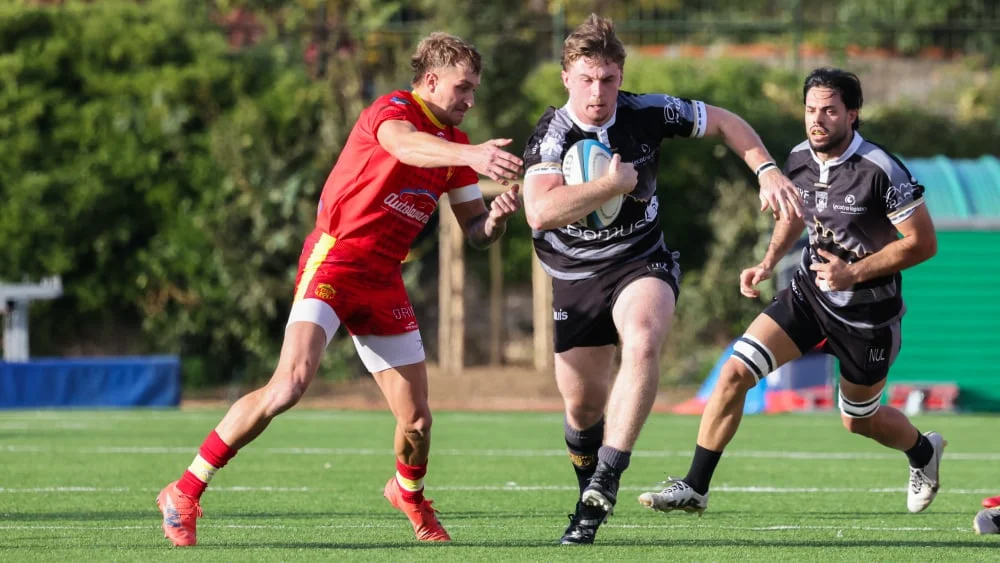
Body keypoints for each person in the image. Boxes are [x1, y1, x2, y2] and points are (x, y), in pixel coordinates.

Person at [154, 32, 524, 547]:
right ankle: (185, 490)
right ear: (431, 80)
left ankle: (407, 494)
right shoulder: (393, 109)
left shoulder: (460, 148)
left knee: (416, 419)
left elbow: (476, 233)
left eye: (475, 91)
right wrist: (477, 155)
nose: (470, 100)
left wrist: (499, 219)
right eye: (462, 88)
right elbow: (403, 145)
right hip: (337, 258)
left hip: (383, 277)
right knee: (289, 385)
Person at [521, 14, 801, 545]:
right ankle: (588, 484)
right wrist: (610, 185)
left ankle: (606, 479)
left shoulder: (648, 112)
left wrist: (765, 168)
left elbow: (723, 121)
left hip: (639, 259)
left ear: (620, 75)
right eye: (585, 79)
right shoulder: (553, 133)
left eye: (607, 78)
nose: (597, 92)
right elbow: (539, 212)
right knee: (582, 407)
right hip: (575, 274)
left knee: (644, 340)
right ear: (566, 78)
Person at [637, 68, 945, 517]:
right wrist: (767, 261)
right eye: (810, 109)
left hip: (867, 317)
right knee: (733, 375)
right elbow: (794, 214)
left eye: (830, 111)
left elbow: (924, 243)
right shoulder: (800, 157)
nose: (817, 120)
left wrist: (853, 273)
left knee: (858, 421)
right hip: (807, 297)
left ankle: (922, 452)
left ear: (853, 114)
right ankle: (695, 486)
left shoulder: (882, 169)